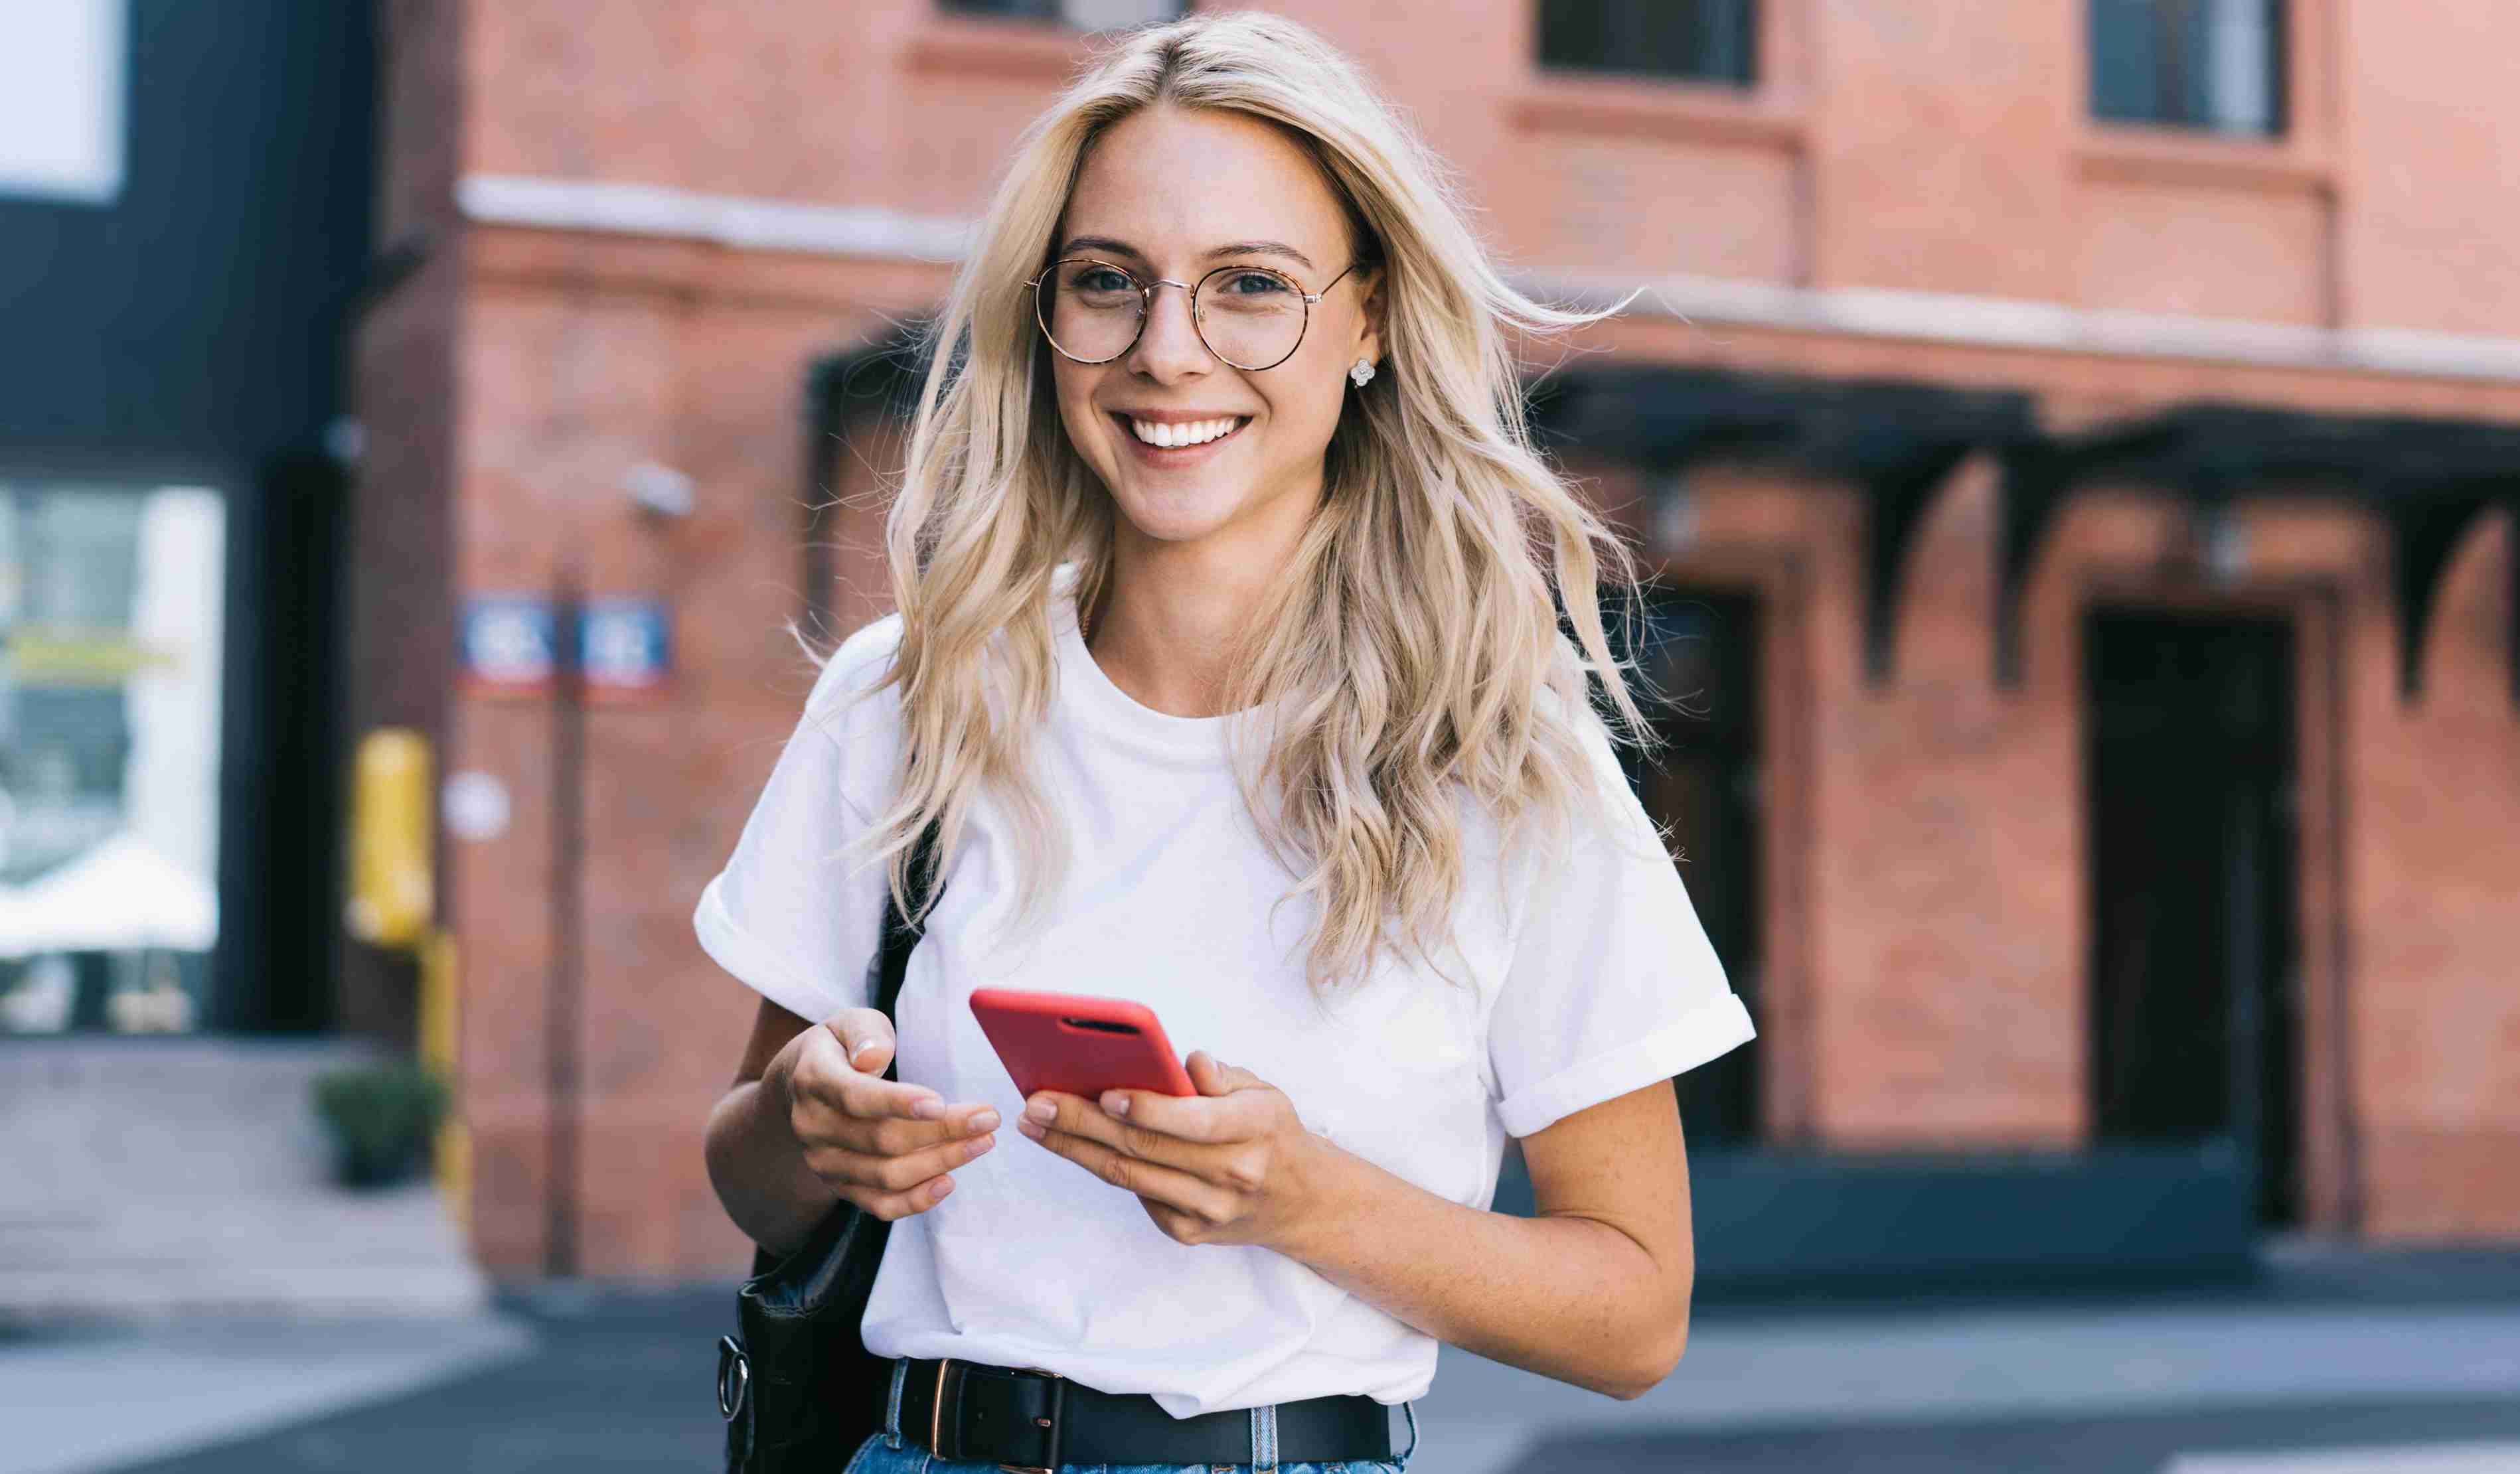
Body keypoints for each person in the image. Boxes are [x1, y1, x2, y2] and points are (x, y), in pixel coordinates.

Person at [696, 12, 1755, 1473]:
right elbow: (751, 1180)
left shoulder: (1507, 758)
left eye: (1249, 287)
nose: (1166, 353)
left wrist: (1302, 1198)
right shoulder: (903, 697)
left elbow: (1634, 1313)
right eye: (1106, 284)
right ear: (1045, 318)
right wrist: (808, 1130)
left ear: (1369, 319)